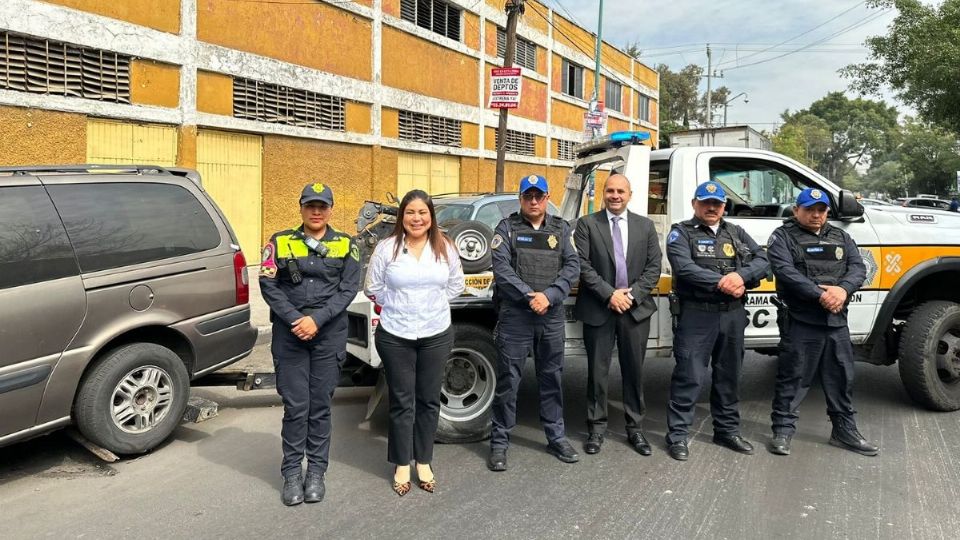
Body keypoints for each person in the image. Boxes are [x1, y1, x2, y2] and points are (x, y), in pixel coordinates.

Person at [259, 182, 361, 506]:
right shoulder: (280, 241)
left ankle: (316, 472)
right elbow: (268, 283)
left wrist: (316, 320)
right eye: (310, 205)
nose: (316, 211)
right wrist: (295, 319)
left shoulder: (347, 244)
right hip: (290, 335)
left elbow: (348, 290)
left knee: (319, 407)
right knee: (295, 407)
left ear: (331, 209)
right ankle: (291, 472)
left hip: (328, 334)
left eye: (322, 206)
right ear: (301, 207)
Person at [364, 190, 464, 496]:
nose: (416, 218)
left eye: (422, 212)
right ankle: (401, 464)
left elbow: (456, 284)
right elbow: (372, 288)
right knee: (402, 401)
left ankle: (424, 460)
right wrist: (399, 304)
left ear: (431, 216)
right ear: (401, 217)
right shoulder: (387, 248)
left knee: (429, 400)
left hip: (435, 333)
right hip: (396, 335)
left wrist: (430, 303)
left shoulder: (444, 247)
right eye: (410, 212)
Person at [766, 188, 878, 457]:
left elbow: (858, 267)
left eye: (821, 210)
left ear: (827, 212)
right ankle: (782, 431)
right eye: (809, 209)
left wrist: (842, 290)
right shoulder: (782, 237)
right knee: (793, 377)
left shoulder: (841, 236)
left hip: (835, 319)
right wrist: (823, 294)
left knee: (841, 376)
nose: (816, 215)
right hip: (801, 319)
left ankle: (844, 431)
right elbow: (786, 272)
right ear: (796, 211)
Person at [664, 181, 769, 461]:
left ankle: (726, 430)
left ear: (724, 206)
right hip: (697, 314)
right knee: (689, 376)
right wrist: (724, 281)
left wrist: (740, 277)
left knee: (729, 376)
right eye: (706, 202)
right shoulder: (681, 233)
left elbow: (763, 259)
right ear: (694, 204)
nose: (712, 207)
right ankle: (677, 435)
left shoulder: (735, 232)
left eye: (717, 203)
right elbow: (684, 268)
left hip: (733, 314)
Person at [487, 174, 580, 471]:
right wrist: (530, 296)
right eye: (529, 196)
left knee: (551, 378)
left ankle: (556, 436)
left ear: (547, 197)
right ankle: (499, 443)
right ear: (521, 198)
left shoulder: (561, 229)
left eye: (539, 196)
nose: (534, 201)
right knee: (508, 381)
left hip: (549, 316)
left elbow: (572, 267)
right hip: (516, 316)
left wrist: (549, 296)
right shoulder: (506, 228)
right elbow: (501, 270)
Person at [574, 174, 662, 456]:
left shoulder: (645, 226)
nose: (615, 196)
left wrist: (631, 295)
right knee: (597, 373)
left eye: (620, 191)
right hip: (600, 307)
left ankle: (635, 429)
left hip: (634, 310)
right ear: (603, 193)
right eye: (610, 190)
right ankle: (596, 429)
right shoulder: (587, 225)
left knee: (634, 372)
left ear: (630, 194)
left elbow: (653, 267)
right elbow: (583, 266)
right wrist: (610, 294)